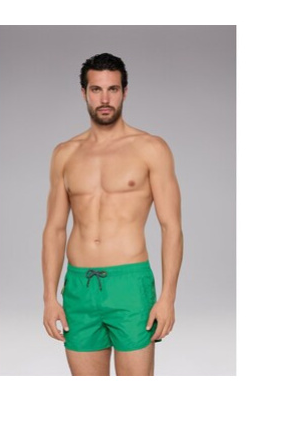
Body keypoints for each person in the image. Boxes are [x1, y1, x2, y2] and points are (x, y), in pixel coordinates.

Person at [42, 53, 183, 376]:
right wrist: (49, 297)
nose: (104, 99)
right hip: (79, 288)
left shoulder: (151, 148)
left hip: (130, 285)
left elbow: (171, 227)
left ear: (125, 92)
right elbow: (54, 229)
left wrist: (168, 298)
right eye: (96, 90)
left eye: (113, 89)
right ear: (84, 93)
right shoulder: (65, 154)